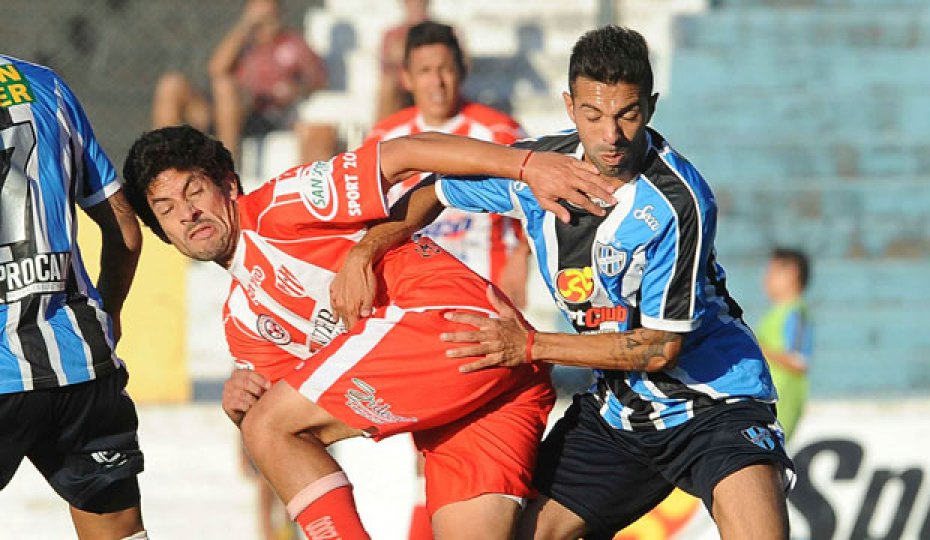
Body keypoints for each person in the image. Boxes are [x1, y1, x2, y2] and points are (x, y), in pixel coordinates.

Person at [331, 26, 795, 540]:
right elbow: (433, 191)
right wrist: (365, 250)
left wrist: (529, 345)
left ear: (651, 107)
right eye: (593, 116)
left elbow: (660, 347)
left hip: (714, 403)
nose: (611, 135)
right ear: (570, 106)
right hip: (620, 414)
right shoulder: (541, 171)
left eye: (627, 115)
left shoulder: (679, 201)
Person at [121, 125, 613, 540]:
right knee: (266, 424)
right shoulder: (243, 324)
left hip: (448, 320)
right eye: (166, 209)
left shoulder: (282, 205)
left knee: (268, 426)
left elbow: (407, 153)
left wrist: (526, 165)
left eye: (194, 191)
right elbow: (293, 438)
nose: (187, 213)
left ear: (228, 185)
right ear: (164, 233)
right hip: (488, 382)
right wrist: (242, 408)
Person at [366, 21, 531, 537]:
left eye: (444, 69)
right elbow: (368, 225)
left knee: (457, 452)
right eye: (425, 70)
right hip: (414, 308)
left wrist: (519, 275)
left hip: (483, 308)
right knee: (437, 450)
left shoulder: (499, 132)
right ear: (406, 78)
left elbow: (533, 214)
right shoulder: (385, 140)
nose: (436, 81)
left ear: (461, 71)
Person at [0, 56, 146, 538]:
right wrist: (110, 312)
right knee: (118, 530)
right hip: (79, 361)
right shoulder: (45, 85)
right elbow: (125, 227)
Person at [152, 0, 335, 165]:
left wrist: (295, 89)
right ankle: (163, 163)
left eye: (268, 16)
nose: (264, 23)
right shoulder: (241, 42)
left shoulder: (293, 43)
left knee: (225, 87)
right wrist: (245, 26)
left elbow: (319, 80)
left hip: (264, 113)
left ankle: (225, 165)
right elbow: (216, 68)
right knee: (172, 84)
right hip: (223, 111)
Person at [756, 247, 813, 441]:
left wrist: (757, 349)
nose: (766, 278)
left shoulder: (796, 312)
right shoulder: (777, 313)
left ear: (792, 273)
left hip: (781, 401)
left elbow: (799, 361)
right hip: (765, 400)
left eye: (772, 272)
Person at [375, 0, 431, 123]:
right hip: (402, 85)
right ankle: (382, 131)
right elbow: (385, 67)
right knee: (388, 85)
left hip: (430, 80)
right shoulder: (392, 35)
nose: (416, 5)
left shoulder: (444, 32)